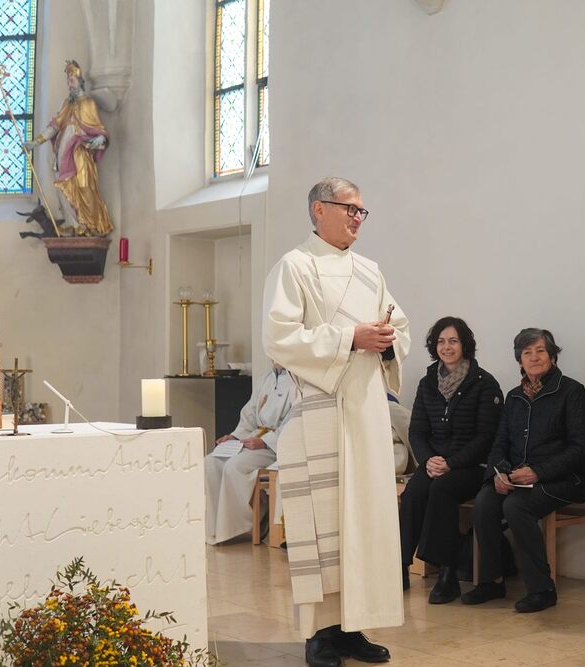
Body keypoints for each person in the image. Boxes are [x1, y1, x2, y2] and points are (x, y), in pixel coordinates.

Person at [263, 177, 410, 667]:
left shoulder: (370, 271)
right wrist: (350, 337)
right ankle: (320, 635)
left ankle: (353, 627)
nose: (356, 218)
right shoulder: (294, 266)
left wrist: (386, 340)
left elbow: (399, 326)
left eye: (361, 211)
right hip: (319, 413)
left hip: (366, 413)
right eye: (349, 208)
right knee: (324, 525)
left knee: (363, 521)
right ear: (318, 210)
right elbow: (279, 338)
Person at [463, 328, 585, 613]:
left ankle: (542, 589)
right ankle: (491, 581)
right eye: (527, 353)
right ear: (519, 360)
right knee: (485, 501)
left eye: (540, 351)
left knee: (516, 506)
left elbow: (581, 449)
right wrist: (498, 474)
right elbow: (499, 444)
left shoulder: (572, 391)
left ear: (553, 356)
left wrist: (538, 472)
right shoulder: (514, 397)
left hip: (563, 480)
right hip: (518, 479)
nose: (534, 357)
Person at [400, 316, 503, 603]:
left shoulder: (484, 384)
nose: (446, 347)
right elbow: (417, 431)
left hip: (472, 466)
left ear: (465, 344)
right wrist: (427, 460)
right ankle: (401, 564)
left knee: (441, 489)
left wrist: (451, 463)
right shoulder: (427, 383)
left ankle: (447, 573)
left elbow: (487, 437)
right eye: (441, 341)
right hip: (434, 463)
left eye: (453, 341)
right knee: (414, 491)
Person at [204, 363, 295, 545]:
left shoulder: (297, 382)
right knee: (210, 462)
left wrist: (264, 441)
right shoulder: (267, 378)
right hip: (252, 439)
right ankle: (213, 528)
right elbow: (249, 416)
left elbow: (292, 423)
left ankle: (238, 526)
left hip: (273, 447)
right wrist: (234, 436)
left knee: (234, 466)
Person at [24, 60, 112, 237]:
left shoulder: (88, 103)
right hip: (63, 152)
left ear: (80, 81)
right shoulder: (67, 104)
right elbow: (54, 127)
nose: (69, 83)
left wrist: (100, 138)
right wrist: (35, 142)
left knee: (84, 186)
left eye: (72, 80)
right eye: (68, 81)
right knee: (64, 186)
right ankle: (75, 225)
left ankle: (89, 224)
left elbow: (98, 128)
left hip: (81, 151)